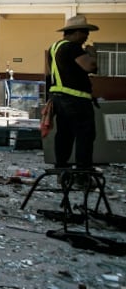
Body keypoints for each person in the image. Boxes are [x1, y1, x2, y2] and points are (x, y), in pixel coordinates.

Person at [45, 14, 99, 175]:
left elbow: (48, 74)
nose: (86, 37)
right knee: (85, 134)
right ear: (75, 32)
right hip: (76, 99)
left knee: (64, 134)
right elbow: (90, 67)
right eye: (85, 33)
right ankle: (83, 171)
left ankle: (61, 168)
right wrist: (92, 54)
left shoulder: (54, 48)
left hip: (59, 98)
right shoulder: (73, 47)